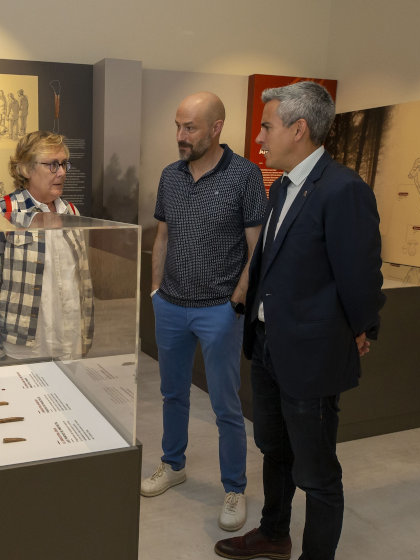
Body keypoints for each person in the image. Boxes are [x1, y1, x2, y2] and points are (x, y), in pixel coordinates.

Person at [215, 82, 385, 560]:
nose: (259, 139)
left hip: (311, 354)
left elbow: (361, 275)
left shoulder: (343, 189)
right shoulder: (282, 186)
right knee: (274, 448)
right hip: (269, 345)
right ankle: (274, 534)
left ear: (299, 128)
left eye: (267, 127)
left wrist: (362, 327)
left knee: (317, 472)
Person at [142, 92, 267, 532]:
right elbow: (162, 237)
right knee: (172, 394)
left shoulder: (245, 176)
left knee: (225, 404)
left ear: (216, 128)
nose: (180, 136)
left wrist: (238, 298)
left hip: (219, 310)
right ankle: (172, 464)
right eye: (177, 126)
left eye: (189, 128)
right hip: (171, 306)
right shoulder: (170, 176)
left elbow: (258, 248)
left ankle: (234, 487)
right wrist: (156, 290)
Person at [0, 131, 93, 362]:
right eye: (53, 165)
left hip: (70, 343)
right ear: (25, 169)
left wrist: (85, 337)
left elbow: (83, 283)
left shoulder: (71, 213)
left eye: (64, 164)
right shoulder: (3, 213)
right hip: (25, 349)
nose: (62, 172)